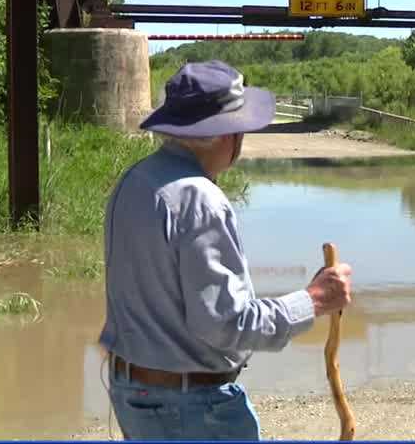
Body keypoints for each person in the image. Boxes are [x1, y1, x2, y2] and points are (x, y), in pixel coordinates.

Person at [98, 59, 353, 440]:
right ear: (224, 135)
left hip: (134, 393)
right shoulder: (200, 199)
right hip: (193, 406)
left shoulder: (135, 181)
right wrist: (314, 299)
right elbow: (227, 323)